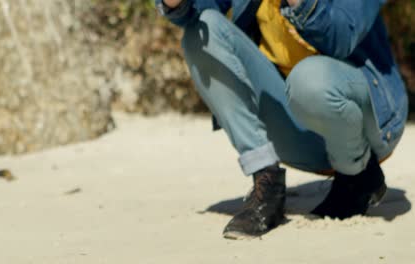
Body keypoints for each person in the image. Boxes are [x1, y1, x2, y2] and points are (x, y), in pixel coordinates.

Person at [156, 0, 408, 239]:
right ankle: (266, 181)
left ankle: (358, 174)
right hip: (300, 126)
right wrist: (176, 4)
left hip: (369, 121)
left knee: (307, 80)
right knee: (201, 30)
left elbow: (340, 38)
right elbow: (198, 10)